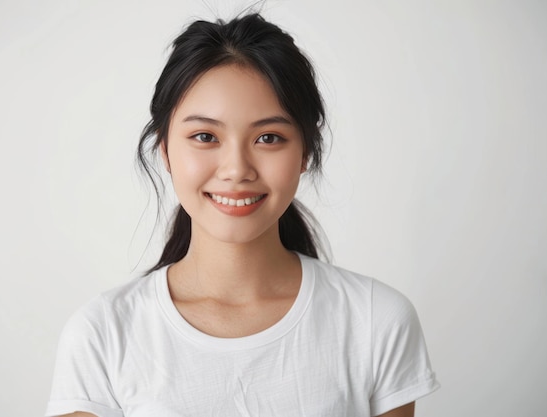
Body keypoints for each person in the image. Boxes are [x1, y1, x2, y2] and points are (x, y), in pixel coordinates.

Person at [45, 13, 439, 417]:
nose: (236, 169)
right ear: (164, 150)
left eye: (268, 138)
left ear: (305, 153)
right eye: (205, 137)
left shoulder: (376, 321)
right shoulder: (102, 334)